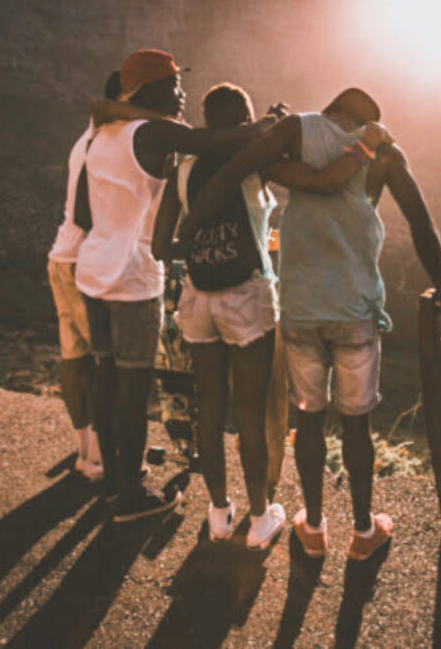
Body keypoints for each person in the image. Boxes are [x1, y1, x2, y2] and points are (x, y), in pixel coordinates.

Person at [178, 88, 441, 560]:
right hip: (353, 307)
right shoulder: (382, 148)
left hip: (301, 306)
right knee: (356, 424)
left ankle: (312, 527)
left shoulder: (296, 133)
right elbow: (421, 222)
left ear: (329, 111)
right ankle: (364, 531)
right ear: (366, 120)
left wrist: (189, 229)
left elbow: (245, 166)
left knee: (308, 418)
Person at [152, 83, 391, 549]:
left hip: (198, 296)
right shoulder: (255, 166)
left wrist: (195, 247)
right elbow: (322, 182)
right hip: (247, 294)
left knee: (209, 404)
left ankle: (219, 512)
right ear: (246, 124)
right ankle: (260, 518)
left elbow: (161, 247)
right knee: (251, 409)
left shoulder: (181, 169)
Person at [75, 49, 274, 523]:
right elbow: (228, 141)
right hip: (132, 277)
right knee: (134, 382)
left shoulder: (101, 134)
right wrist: (274, 124)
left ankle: (111, 482)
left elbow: (84, 212)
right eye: (173, 84)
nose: (181, 92)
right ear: (149, 91)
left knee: (105, 375)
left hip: (94, 269)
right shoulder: (155, 131)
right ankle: (130, 496)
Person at [46, 69, 121, 481]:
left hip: (62, 256)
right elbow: (86, 213)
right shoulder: (105, 140)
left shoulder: (88, 136)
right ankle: (98, 458)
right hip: (82, 263)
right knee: (101, 363)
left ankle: (85, 452)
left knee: (74, 358)